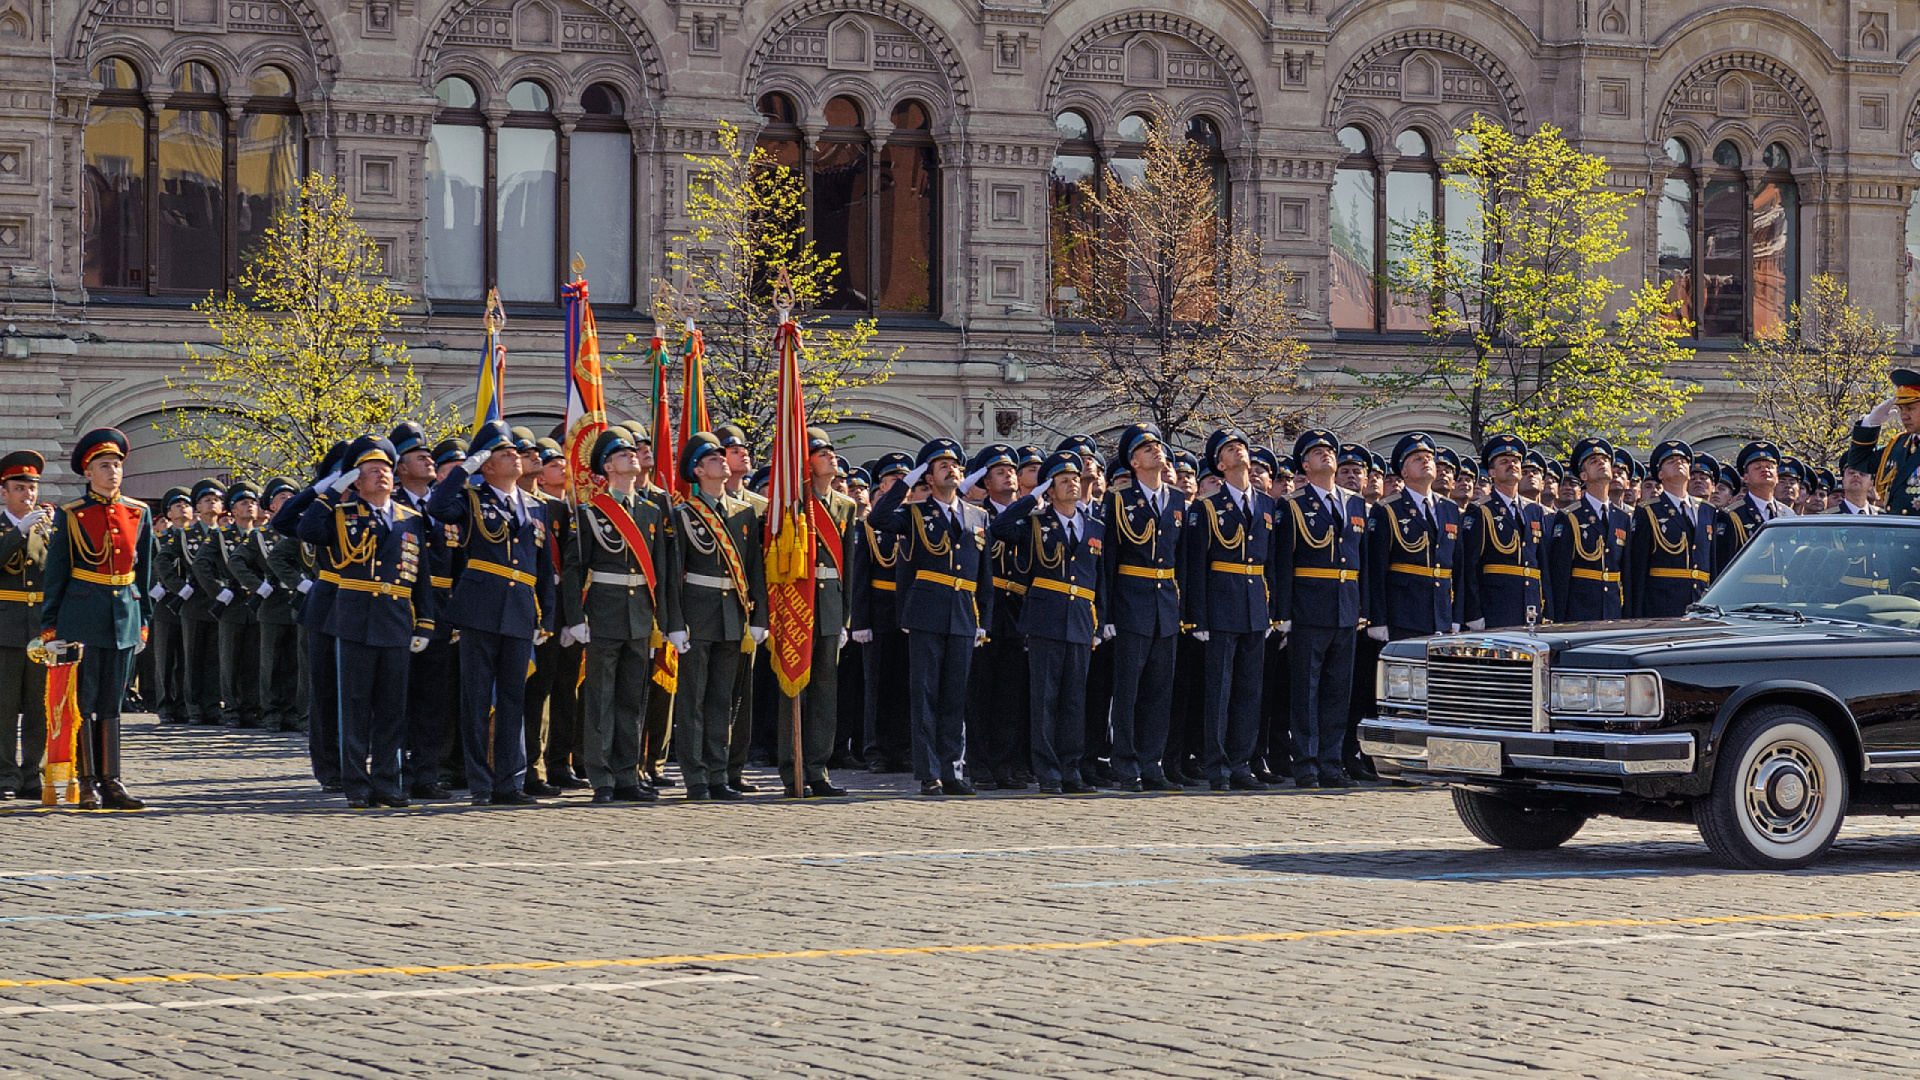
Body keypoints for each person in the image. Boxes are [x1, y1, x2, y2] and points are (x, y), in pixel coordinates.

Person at [297, 435, 435, 808]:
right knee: (354, 707)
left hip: (395, 619)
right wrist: (331, 491)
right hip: (355, 616)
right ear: (356, 481)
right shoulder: (342, 515)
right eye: (371, 471)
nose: (381, 476)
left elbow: (420, 575)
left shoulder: (411, 519)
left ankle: (388, 782)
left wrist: (425, 622)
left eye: (386, 470)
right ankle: (356, 784)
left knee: (392, 709)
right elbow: (306, 529)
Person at [427, 420, 558, 806]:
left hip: (520, 610)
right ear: (486, 465)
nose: (515, 457)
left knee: (514, 700)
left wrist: (546, 617)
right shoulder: (470, 499)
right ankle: (481, 783)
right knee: (477, 699)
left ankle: (509, 782)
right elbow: (437, 506)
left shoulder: (534, 506)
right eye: (504, 454)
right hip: (480, 609)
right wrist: (467, 467)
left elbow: (544, 568)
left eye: (516, 452)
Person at [867, 438, 995, 796]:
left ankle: (953, 769)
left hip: (963, 612)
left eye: (955, 465)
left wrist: (983, 618)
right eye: (941, 466)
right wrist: (908, 484)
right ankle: (930, 773)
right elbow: (877, 518)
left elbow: (983, 575)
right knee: (925, 694)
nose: (951, 469)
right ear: (929, 478)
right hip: (927, 610)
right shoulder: (916, 513)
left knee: (956, 695)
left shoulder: (978, 516)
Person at [561, 426, 678, 804]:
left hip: (640, 615)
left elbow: (660, 572)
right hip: (603, 612)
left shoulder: (649, 511)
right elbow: (575, 567)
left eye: (633, 451)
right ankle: (602, 777)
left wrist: (667, 622)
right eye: (622, 453)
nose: (632, 456)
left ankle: (628, 773)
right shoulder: (590, 512)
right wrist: (576, 616)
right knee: (600, 699)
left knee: (631, 700)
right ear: (607, 467)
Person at [39, 428, 153, 810]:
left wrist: (144, 620)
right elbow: (56, 573)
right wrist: (50, 625)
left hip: (123, 614)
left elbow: (146, 574)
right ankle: (86, 781)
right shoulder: (72, 515)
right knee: (83, 701)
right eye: (105, 466)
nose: (113, 472)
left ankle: (112, 780)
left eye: (118, 465)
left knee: (112, 702)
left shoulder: (139, 513)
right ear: (88, 472)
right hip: (81, 615)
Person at [661, 431, 767, 801]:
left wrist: (759, 617)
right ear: (697, 470)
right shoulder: (684, 515)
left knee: (723, 700)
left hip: (733, 615)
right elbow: (673, 574)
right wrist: (674, 622)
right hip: (696, 614)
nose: (722, 461)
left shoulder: (743, 514)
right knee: (692, 700)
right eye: (712, 459)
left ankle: (718, 772)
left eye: (723, 456)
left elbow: (755, 570)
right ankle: (696, 777)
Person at [990, 450, 1103, 794]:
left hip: (1082, 619)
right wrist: (1033, 498)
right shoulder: (1036, 523)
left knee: (1074, 700)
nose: (1072, 484)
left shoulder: (1095, 526)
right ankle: (1048, 772)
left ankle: (1071, 770)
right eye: (1063, 481)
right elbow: (1000, 528)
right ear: (1049, 490)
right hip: (1045, 618)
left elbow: (1101, 579)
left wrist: (1101, 623)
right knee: (1045, 700)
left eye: (1075, 479)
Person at [1185, 427, 1278, 791]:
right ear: (1220, 465)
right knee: (1219, 692)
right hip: (1220, 604)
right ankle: (1217, 766)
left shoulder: (1268, 505)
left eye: (1242, 446)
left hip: (1256, 605)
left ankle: (1241, 764)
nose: (1239, 451)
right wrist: (1199, 617)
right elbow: (1197, 566)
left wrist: (1273, 612)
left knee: (1248, 691)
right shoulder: (1207, 507)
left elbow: (1272, 564)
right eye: (1230, 449)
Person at [1272, 429, 1364, 789]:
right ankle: (1306, 764)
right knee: (1306, 691)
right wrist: (1285, 613)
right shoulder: (1292, 504)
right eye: (1316, 452)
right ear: (1305, 465)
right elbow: (1284, 563)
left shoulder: (1355, 503)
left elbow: (1362, 561)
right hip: (1309, 605)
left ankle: (1331, 761)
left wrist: (1363, 608)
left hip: (1346, 606)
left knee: (1338, 690)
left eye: (1330, 450)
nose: (1326, 455)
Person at [1101, 423, 1188, 791]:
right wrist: (1105, 615)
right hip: (1130, 602)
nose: (1156, 451)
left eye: (1158, 445)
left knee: (1159, 690)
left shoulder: (1179, 500)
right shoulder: (1118, 499)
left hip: (1165, 605)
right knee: (1128, 691)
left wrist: (1184, 612)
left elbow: (1182, 561)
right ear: (1133, 461)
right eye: (1146, 448)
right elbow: (1107, 560)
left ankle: (1152, 764)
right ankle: (1126, 765)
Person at [773, 427, 856, 799]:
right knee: (795, 690)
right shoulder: (792, 501)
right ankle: (792, 769)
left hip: (830, 604)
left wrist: (845, 616)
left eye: (831, 451)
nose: (830, 456)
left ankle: (817, 769)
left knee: (826, 691)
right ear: (805, 461)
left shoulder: (845, 506)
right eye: (821, 452)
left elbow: (848, 567)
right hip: (799, 602)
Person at [271, 444, 347, 791]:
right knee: (327, 692)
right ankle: (331, 769)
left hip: (375, 608)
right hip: (328, 605)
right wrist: (321, 489)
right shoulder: (322, 511)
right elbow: (283, 521)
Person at [960, 443, 1027, 790]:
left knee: (1010, 694)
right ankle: (981, 764)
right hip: (986, 608)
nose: (1009, 475)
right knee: (980, 692)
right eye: (999, 471)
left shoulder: (1033, 515)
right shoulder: (976, 514)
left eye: (1012, 470)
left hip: (1018, 610)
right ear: (984, 482)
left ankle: (1006, 764)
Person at [850, 452, 912, 774]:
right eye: (894, 481)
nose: (901, 486)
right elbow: (860, 577)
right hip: (878, 612)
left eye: (905, 480)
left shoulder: (914, 522)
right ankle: (874, 749)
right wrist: (860, 621)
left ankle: (901, 747)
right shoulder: (871, 528)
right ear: (882, 487)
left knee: (905, 684)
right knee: (876, 686)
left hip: (908, 615)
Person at [1366, 432, 1461, 641]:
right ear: (1404, 472)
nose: (1426, 461)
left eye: (1429, 458)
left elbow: (1459, 567)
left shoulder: (1450, 509)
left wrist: (1458, 614)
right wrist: (1378, 618)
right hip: (1404, 613)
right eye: (1417, 459)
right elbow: (1377, 569)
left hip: (1442, 613)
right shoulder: (1387, 509)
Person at [1457, 434, 1548, 631]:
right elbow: (1470, 566)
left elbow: (1541, 564)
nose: (1512, 465)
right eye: (1504, 462)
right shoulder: (1481, 509)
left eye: (1516, 461)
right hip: (1496, 606)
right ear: (1492, 472)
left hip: (1530, 606)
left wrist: (1547, 608)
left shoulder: (1534, 510)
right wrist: (1473, 614)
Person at [194, 480, 263, 729]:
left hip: (256, 606)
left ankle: (252, 709)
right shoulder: (221, 536)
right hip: (231, 604)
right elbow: (200, 564)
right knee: (230, 660)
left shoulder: (261, 536)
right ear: (233, 511)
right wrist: (217, 591)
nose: (250, 507)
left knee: (255, 661)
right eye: (244, 503)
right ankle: (232, 710)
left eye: (253, 503)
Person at [0, 450, 48, 800]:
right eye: (19, 488)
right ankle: (6, 775)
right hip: (5, 627)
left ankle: (32, 773)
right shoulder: (8, 528)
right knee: (3, 709)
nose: (27, 495)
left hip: (40, 630)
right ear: (4, 492)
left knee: (38, 708)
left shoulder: (47, 528)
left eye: (32, 488)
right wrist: (18, 531)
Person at [240, 476, 302, 732]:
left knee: (295, 663)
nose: (287, 499)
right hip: (273, 604)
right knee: (272, 663)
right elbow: (237, 562)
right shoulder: (261, 536)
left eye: (291, 496)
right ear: (271, 507)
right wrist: (258, 585)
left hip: (298, 603)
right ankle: (271, 712)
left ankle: (293, 711)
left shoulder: (304, 530)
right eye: (281, 497)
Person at [1626, 440, 1714, 618]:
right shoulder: (1649, 510)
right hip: (1662, 603)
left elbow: (1712, 562)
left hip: (1700, 603)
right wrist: (1636, 613)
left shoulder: (1707, 510)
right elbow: (1638, 566)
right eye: (1670, 461)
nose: (1678, 463)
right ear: (1660, 474)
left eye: (1683, 460)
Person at [1545, 438, 1630, 623]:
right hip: (1580, 612)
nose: (1601, 463)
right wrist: (1558, 621)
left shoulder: (1622, 518)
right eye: (1594, 461)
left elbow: (1627, 572)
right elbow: (1560, 575)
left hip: (1613, 611)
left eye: (1605, 460)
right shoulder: (1569, 516)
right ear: (1583, 476)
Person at [174, 478, 224, 726]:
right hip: (194, 602)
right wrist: (178, 588)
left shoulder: (227, 534)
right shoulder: (186, 535)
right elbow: (162, 561)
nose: (212, 503)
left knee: (215, 657)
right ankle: (193, 707)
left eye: (216, 500)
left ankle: (213, 706)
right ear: (198, 508)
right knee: (193, 657)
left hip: (220, 603)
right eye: (207, 500)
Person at [1713, 441, 1792, 593]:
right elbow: (1723, 563)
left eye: (1769, 467)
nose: (1765, 470)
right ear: (1746, 478)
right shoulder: (1732, 515)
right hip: (1747, 593)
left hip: (1785, 596)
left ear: (1776, 475)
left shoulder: (1788, 515)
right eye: (1758, 468)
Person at [1846, 369, 1920, 515]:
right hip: (1897, 529)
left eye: (1910, 409)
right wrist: (1870, 425)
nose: (1904, 416)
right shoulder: (1899, 444)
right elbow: (1859, 462)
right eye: (1901, 409)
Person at [147, 487, 191, 726]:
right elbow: (146, 569)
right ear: (169, 514)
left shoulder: (196, 539)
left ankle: (185, 703)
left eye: (186, 505)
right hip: (164, 604)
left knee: (187, 657)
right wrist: (155, 589)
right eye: (177, 506)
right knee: (165, 657)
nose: (183, 509)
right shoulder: (159, 540)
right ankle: (165, 704)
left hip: (191, 604)